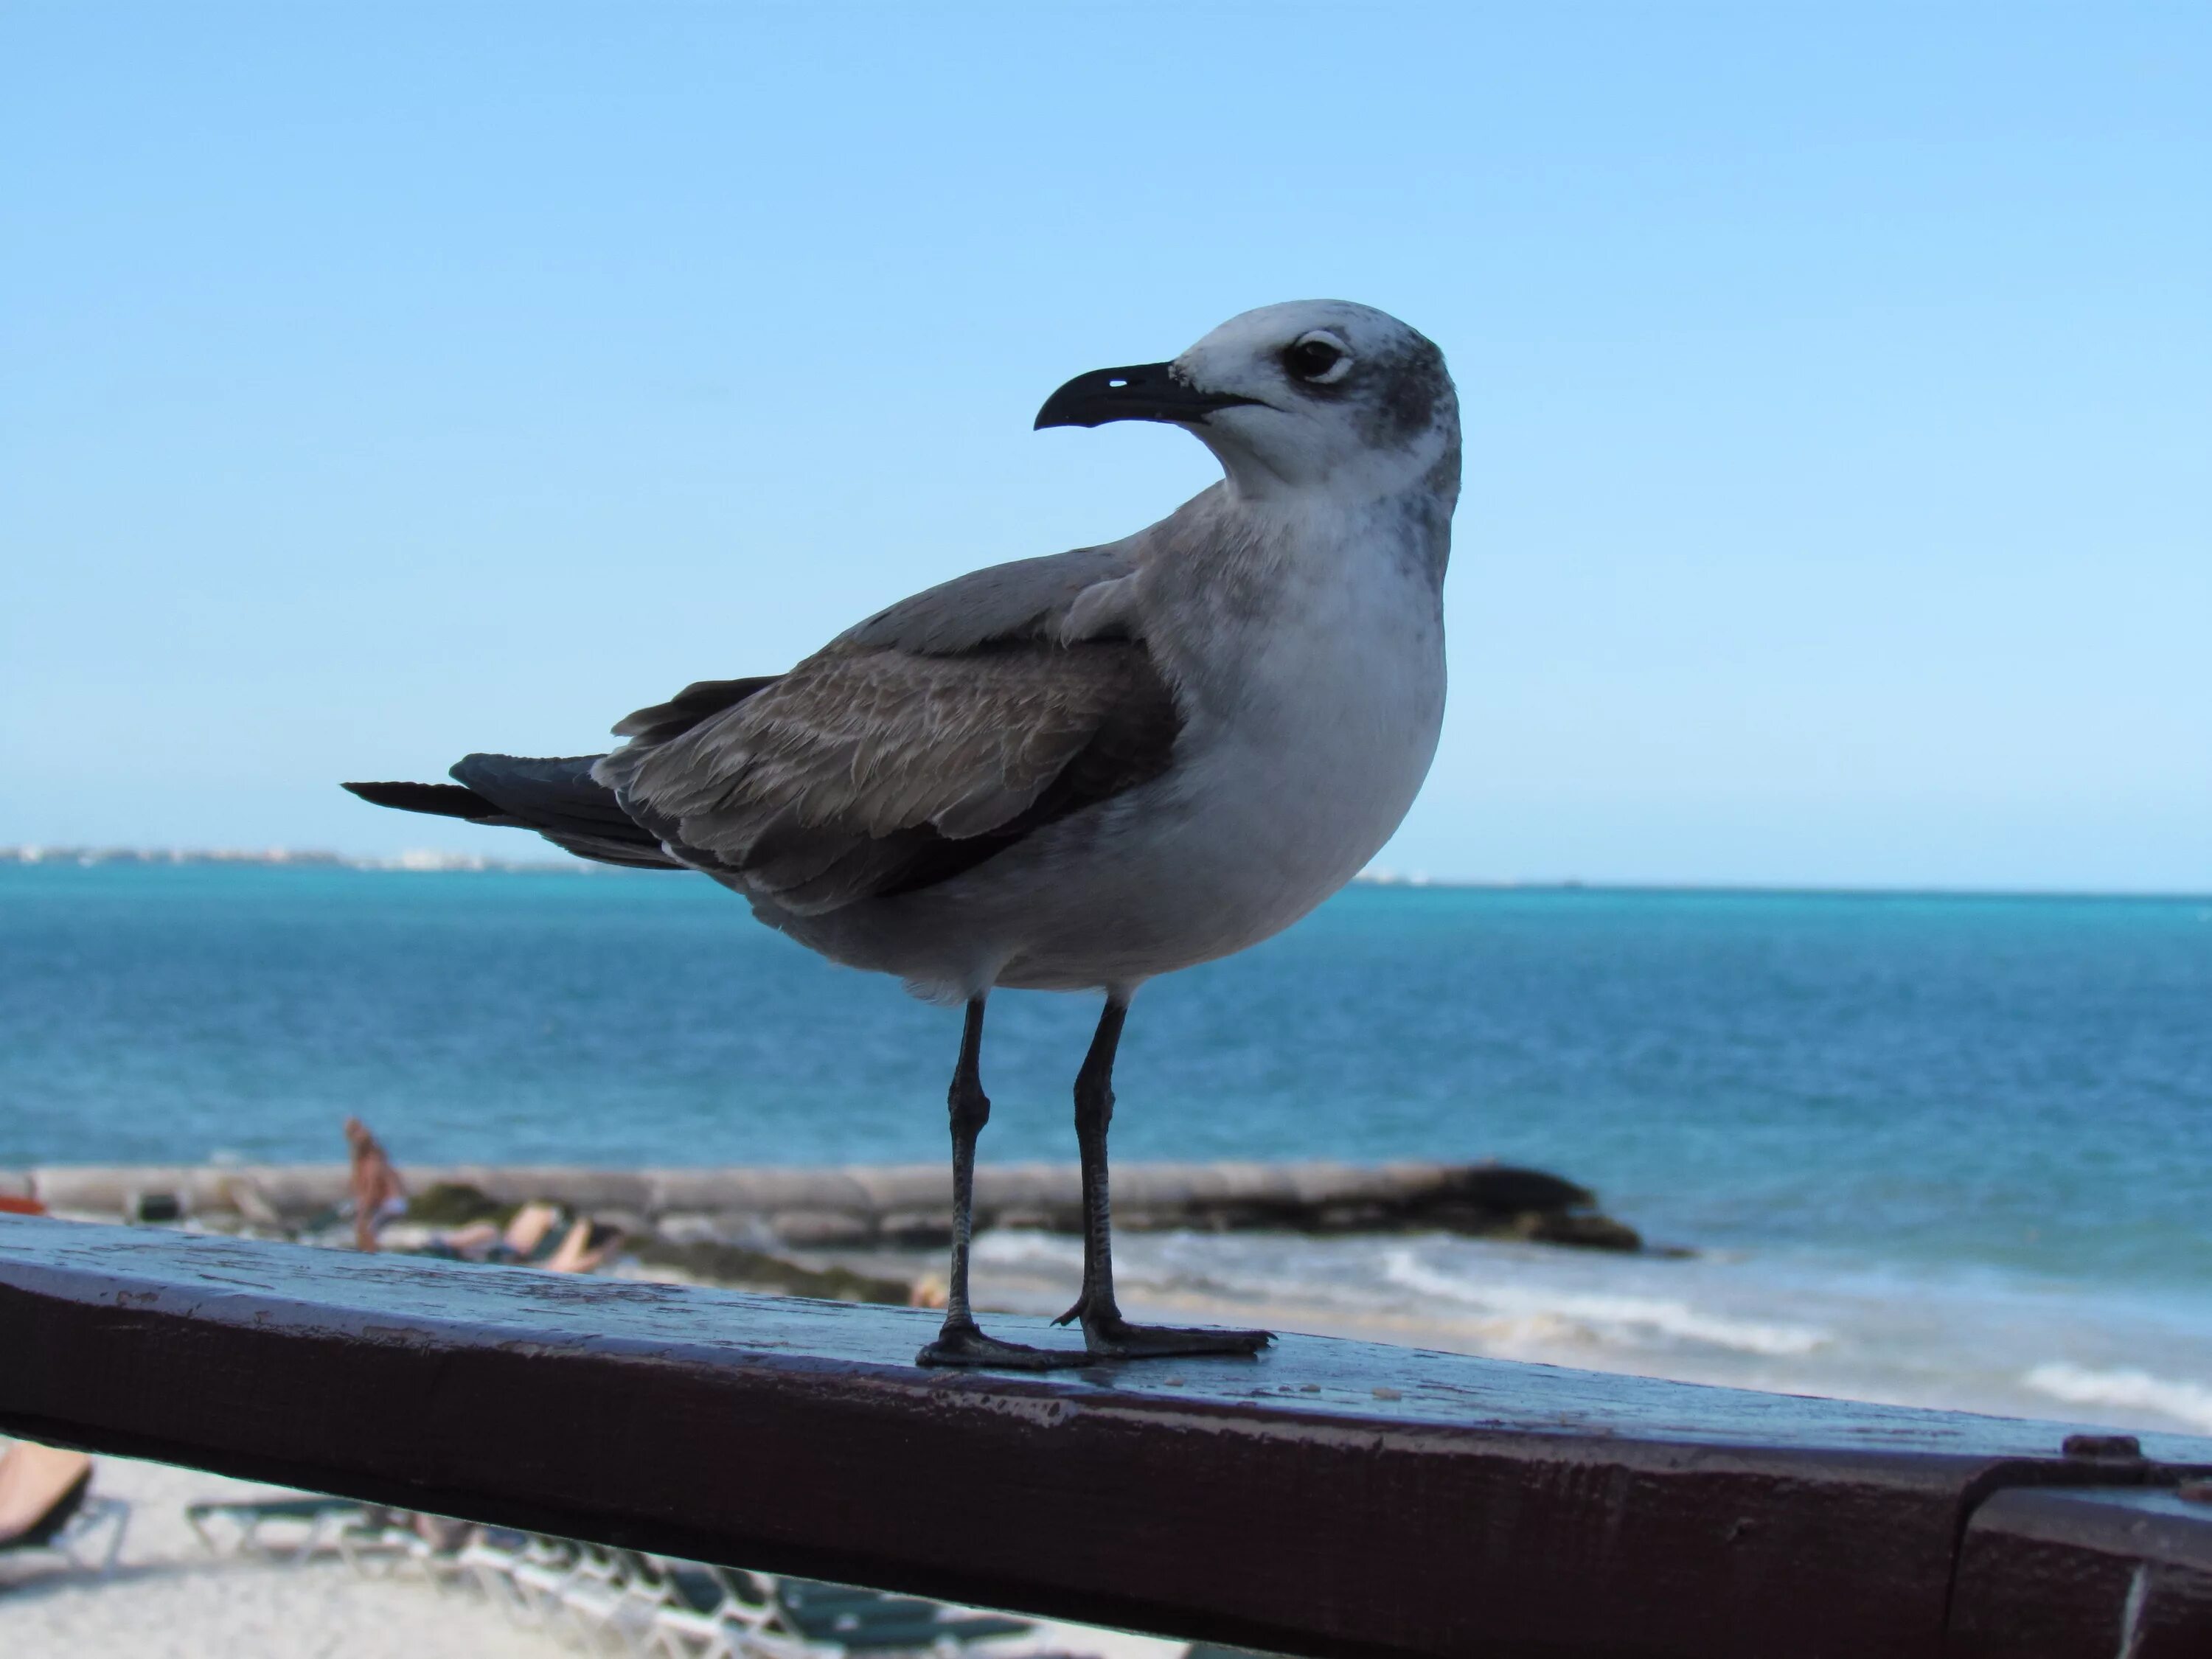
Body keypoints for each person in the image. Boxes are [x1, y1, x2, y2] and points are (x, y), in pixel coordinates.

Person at [343, 1117, 407, 1253]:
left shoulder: (372, 1163)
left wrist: (364, 1211)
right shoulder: (372, 1159)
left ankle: (370, 1257)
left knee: (365, 1227)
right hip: (386, 1201)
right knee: (355, 1218)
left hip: (391, 1204)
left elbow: (373, 1192)